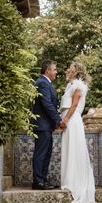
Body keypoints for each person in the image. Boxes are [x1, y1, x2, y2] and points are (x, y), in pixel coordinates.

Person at [60, 62, 95, 203]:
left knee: (73, 150)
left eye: (70, 69)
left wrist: (65, 120)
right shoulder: (70, 85)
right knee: (69, 150)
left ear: (76, 72)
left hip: (72, 121)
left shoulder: (78, 86)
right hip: (69, 120)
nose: (67, 70)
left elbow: (74, 105)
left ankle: (73, 182)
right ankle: (69, 180)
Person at [30, 60, 66, 190]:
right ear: (47, 70)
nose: (56, 72)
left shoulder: (46, 83)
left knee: (46, 153)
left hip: (46, 125)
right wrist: (58, 120)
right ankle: (38, 181)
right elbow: (47, 104)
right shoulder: (42, 83)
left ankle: (43, 180)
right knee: (41, 153)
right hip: (41, 125)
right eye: (54, 70)